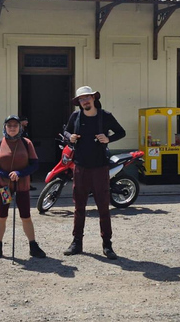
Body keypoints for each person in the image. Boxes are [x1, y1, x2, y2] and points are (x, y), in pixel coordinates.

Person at [63, 86, 126, 260]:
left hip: (100, 168)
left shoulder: (105, 116)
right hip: (80, 167)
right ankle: (76, 242)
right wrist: (71, 137)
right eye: (81, 99)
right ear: (79, 102)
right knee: (79, 207)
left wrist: (109, 139)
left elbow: (121, 132)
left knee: (103, 207)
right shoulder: (75, 116)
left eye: (87, 98)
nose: (84, 101)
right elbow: (66, 131)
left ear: (93, 98)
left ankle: (107, 245)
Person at [0, 115, 46, 260]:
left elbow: (34, 164)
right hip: (4, 187)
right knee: (2, 216)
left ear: (20, 127)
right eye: (9, 125)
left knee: (26, 216)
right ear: (5, 127)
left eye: (15, 125)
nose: (12, 128)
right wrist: (6, 174)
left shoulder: (27, 143)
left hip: (22, 186)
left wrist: (20, 173)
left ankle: (33, 246)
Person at [18, 116, 37, 190]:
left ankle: (27, 184)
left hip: (26, 152)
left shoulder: (25, 131)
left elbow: (34, 165)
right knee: (5, 200)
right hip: (5, 186)